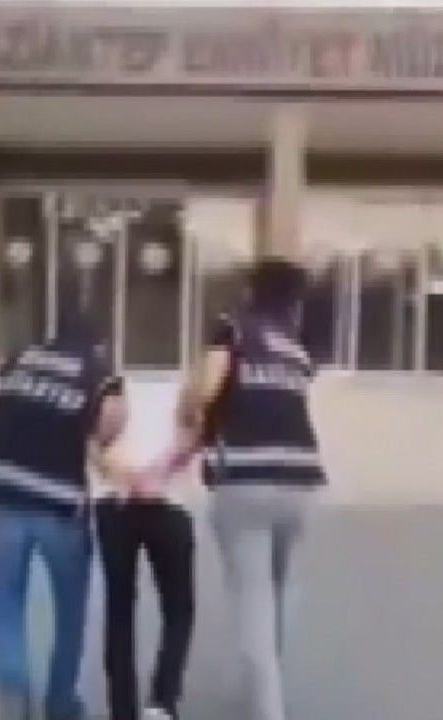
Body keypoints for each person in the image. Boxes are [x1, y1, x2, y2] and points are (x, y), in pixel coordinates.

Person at [171, 258, 327, 720]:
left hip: (245, 478)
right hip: (299, 479)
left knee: (253, 604)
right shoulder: (295, 346)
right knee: (275, 592)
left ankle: (266, 708)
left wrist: (187, 411)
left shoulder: (234, 328)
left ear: (250, 292)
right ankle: (263, 693)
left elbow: (207, 386)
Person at [0, 315, 130, 720]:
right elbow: (111, 419)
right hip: (58, 500)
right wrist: (99, 444)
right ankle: (61, 703)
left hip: (1, 491)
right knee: (70, 611)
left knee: (5, 609)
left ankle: (14, 701)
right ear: (97, 344)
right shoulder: (96, 369)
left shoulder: (23, 358)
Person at [95, 385, 198, 720]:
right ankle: (162, 702)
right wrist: (157, 472)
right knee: (178, 608)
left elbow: (95, 435)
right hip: (168, 502)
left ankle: (122, 709)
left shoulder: (110, 380)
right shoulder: (190, 381)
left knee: (119, 607)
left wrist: (121, 474)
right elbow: (193, 434)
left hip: (115, 501)